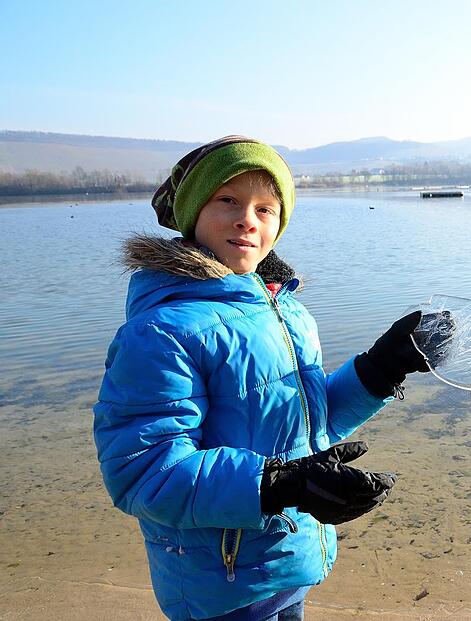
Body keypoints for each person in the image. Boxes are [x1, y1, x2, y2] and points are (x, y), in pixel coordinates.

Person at [93, 136, 432, 621]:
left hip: (289, 562)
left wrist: (381, 369)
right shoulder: (161, 332)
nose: (247, 219)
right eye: (227, 200)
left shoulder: (287, 312)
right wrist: (279, 485)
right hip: (220, 583)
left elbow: (312, 425)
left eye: (266, 208)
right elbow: (143, 472)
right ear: (192, 214)